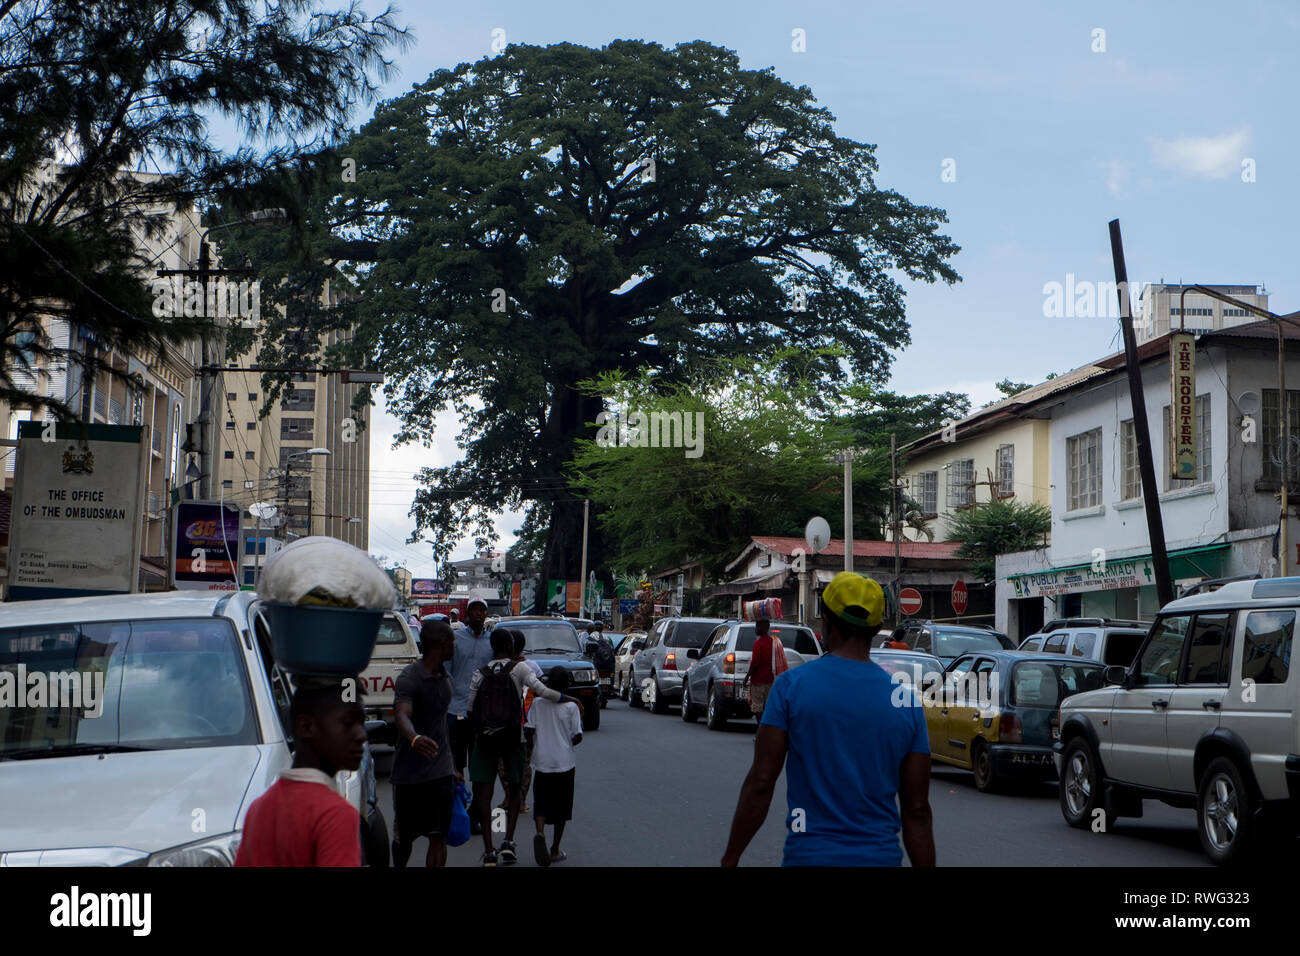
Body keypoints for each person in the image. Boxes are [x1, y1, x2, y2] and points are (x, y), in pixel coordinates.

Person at [721, 572, 935, 867]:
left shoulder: (790, 689)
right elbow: (917, 811)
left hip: (808, 857)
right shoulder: (907, 703)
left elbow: (761, 782)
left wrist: (731, 856)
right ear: (875, 628)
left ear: (826, 622)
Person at [466, 629, 584, 866]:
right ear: (510, 647)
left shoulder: (479, 674)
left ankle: (489, 851)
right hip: (512, 739)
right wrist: (570, 699)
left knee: (484, 794)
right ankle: (509, 843)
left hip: (485, 740)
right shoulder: (519, 669)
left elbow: (471, 710)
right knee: (515, 791)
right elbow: (541, 691)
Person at [234, 678, 366, 866]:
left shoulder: (259, 808)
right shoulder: (335, 814)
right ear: (306, 727)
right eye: (348, 723)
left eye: (362, 723)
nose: (361, 735)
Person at [390, 620, 457, 868]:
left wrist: (453, 767)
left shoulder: (445, 678)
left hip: (440, 773)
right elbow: (401, 714)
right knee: (404, 839)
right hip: (409, 776)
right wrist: (414, 738)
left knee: (438, 837)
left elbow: (441, 727)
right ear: (442, 644)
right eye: (452, 642)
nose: (454, 647)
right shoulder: (410, 677)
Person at [526, 666, 582, 866]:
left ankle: (540, 833)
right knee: (562, 809)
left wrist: (535, 747)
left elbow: (529, 730)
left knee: (540, 803)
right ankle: (555, 849)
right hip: (564, 763)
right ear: (567, 684)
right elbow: (578, 736)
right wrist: (567, 742)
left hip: (542, 762)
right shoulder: (572, 707)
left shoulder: (537, 704)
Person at [447, 597, 494, 833]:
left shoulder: (492, 642)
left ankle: (475, 814)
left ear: (486, 614)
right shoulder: (456, 639)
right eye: (474, 610)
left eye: (481, 610)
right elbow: (446, 673)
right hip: (456, 711)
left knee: (479, 767)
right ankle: (458, 811)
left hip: (482, 715)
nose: (478, 614)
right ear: (467, 614)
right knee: (457, 765)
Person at [499, 630, 542, 812]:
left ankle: (513, 798)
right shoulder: (531, 666)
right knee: (522, 763)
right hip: (525, 722)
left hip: (515, 722)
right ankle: (518, 799)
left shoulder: (505, 666)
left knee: (506, 763)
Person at [742, 618, 786, 719]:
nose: (756, 629)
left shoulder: (758, 644)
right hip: (770, 681)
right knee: (767, 707)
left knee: (757, 708)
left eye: (757, 626)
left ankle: (761, 728)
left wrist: (747, 676)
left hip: (758, 681)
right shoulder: (774, 643)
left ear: (764, 627)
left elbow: (755, 663)